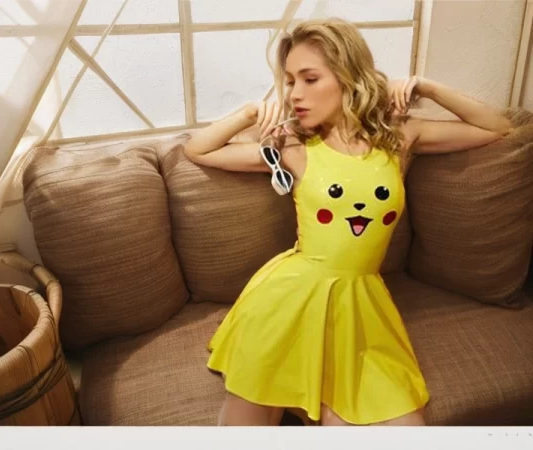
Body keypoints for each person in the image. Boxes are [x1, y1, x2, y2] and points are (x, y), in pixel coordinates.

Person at [183, 18, 512, 426]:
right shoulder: (294, 147)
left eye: (310, 79)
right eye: (290, 81)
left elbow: (498, 127)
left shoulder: (398, 137)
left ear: (348, 76)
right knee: (246, 421)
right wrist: (250, 113)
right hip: (288, 298)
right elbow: (199, 150)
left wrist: (426, 87)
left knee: (401, 423)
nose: (295, 94)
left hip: (362, 306)